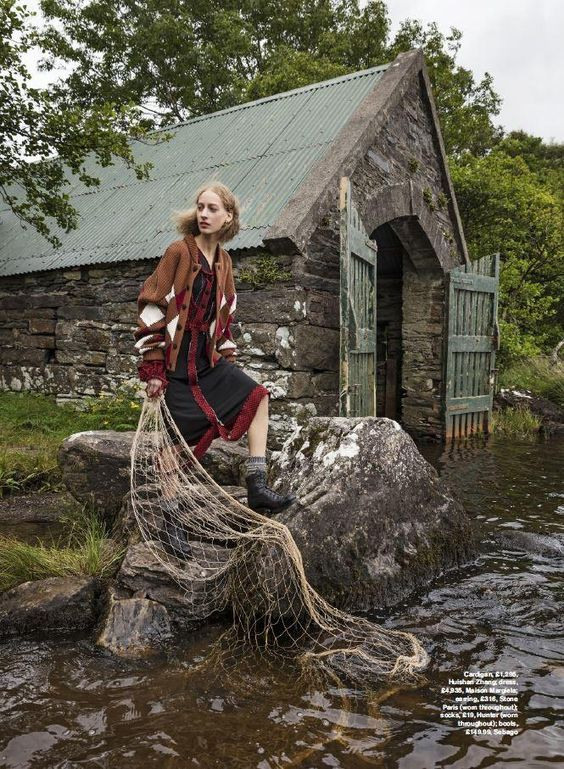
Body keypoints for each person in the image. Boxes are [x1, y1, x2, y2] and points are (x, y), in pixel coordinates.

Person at [134, 182, 295, 552]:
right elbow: (151, 305)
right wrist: (153, 367)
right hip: (175, 364)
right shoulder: (178, 252)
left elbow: (225, 317)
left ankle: (256, 484)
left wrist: (228, 364)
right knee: (175, 447)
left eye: (212, 209)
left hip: (207, 363)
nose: (204, 214)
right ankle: (171, 521)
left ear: (228, 217)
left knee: (257, 396)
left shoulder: (224, 261)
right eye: (200, 207)